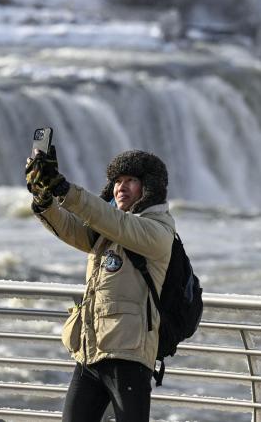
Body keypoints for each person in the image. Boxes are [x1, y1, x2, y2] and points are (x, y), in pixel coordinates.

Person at [25, 147, 174, 422]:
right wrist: (44, 197)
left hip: (129, 355)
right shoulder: (109, 230)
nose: (121, 187)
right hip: (91, 350)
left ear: (149, 187)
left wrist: (65, 189)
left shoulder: (157, 230)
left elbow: (110, 220)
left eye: (130, 180)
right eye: (117, 181)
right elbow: (73, 229)